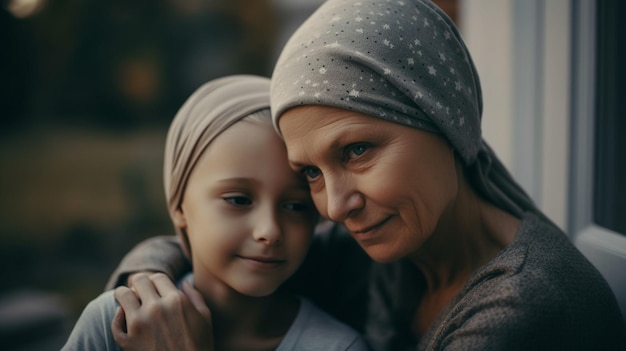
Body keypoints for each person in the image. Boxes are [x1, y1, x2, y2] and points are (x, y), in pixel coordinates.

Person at [105, 1, 626, 350]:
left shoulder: (526, 311)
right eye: (310, 172)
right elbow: (217, 256)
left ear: (445, 121)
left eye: (356, 150)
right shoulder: (386, 246)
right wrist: (146, 287)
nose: (333, 206)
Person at [62, 75, 369, 351]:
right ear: (180, 204)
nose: (270, 230)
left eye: (296, 206)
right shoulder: (113, 324)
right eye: (238, 200)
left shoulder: (339, 347)